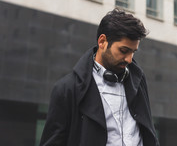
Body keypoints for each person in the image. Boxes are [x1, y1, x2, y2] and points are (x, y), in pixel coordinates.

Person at [40, 8, 160, 146]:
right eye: (123, 51)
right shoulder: (67, 89)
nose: (129, 59)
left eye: (133, 52)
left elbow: (149, 132)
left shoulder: (138, 81)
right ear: (102, 41)